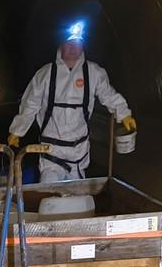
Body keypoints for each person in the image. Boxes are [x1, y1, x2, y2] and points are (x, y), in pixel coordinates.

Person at [7, 21, 136, 182]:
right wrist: (17, 130)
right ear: (61, 45)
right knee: (50, 196)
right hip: (51, 151)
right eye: (69, 44)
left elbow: (108, 95)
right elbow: (30, 104)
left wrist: (123, 114)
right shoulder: (46, 74)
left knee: (78, 198)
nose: (73, 48)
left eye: (77, 44)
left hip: (78, 153)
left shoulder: (93, 72)